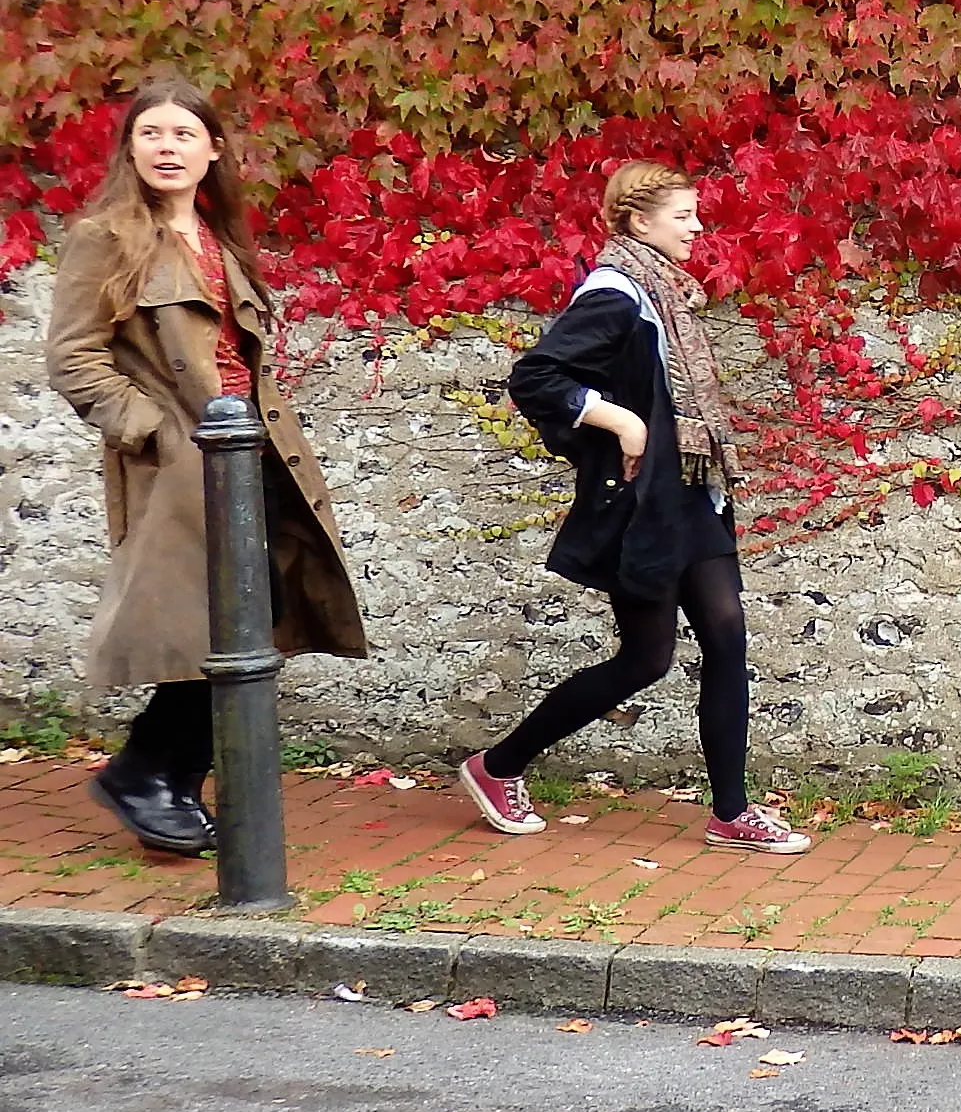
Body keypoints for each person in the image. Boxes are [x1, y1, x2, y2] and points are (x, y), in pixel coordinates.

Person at [44, 78, 367, 855]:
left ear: (212, 149)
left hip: (252, 454)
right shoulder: (109, 237)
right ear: (130, 148)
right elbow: (73, 358)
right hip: (179, 467)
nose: (166, 148)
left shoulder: (220, 241)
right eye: (150, 133)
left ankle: (168, 779)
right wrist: (152, 431)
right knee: (214, 623)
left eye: (183, 135)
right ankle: (148, 773)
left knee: (250, 620)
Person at [455, 161, 808, 854]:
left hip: (690, 495)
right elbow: (536, 377)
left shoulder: (668, 293)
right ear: (639, 222)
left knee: (727, 635)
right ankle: (498, 766)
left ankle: (731, 811)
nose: (698, 227)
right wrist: (622, 423)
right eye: (684, 216)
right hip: (644, 504)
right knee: (646, 659)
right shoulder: (617, 295)